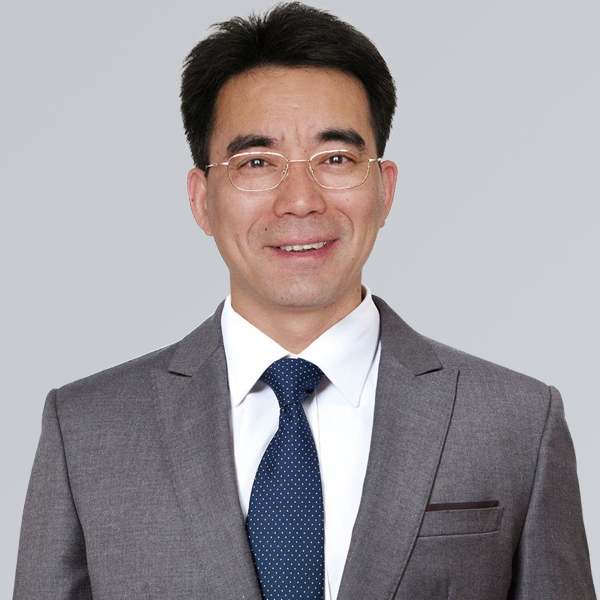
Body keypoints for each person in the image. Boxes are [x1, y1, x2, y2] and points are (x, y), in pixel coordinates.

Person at [13, 3, 596, 599]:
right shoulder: (86, 430)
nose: (300, 200)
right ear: (201, 200)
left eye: (335, 159)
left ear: (385, 188)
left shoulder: (516, 421)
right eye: (256, 162)